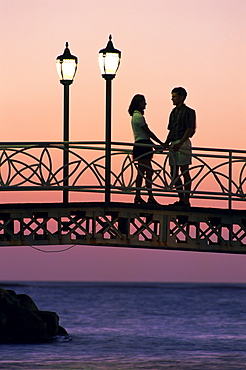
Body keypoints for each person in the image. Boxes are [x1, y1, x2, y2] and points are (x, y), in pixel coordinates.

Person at [128, 94, 163, 204]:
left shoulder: (135, 116)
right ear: (139, 103)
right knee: (148, 171)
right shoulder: (139, 117)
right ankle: (149, 196)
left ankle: (139, 195)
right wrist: (159, 143)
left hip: (141, 144)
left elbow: (145, 134)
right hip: (143, 146)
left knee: (142, 172)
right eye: (144, 102)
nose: (145, 104)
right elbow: (148, 132)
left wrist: (155, 144)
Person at [164, 87, 196, 207]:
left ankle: (186, 199)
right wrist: (166, 143)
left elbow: (190, 129)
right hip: (174, 143)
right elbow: (171, 130)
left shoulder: (189, 112)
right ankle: (182, 198)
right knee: (174, 171)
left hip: (182, 144)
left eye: (175, 96)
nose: (172, 99)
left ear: (181, 97)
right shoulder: (173, 112)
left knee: (184, 169)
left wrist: (180, 142)